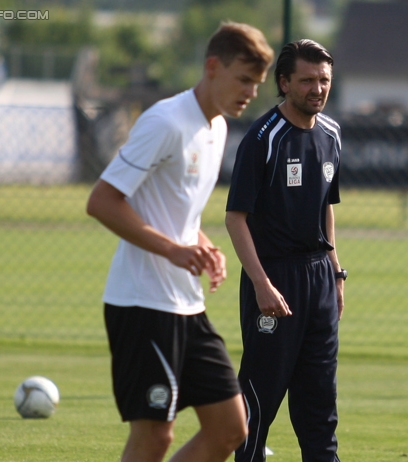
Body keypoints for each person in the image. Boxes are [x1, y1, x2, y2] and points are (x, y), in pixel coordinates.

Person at [86, 22, 274, 462]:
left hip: (187, 307)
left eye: (257, 84)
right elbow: (103, 201)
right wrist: (173, 250)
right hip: (143, 304)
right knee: (154, 437)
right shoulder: (165, 121)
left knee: (230, 428)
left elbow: (178, 214)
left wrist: (203, 246)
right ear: (212, 67)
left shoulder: (219, 129)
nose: (250, 92)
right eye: (243, 79)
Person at [225, 39, 345, 462]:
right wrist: (261, 283)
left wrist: (336, 272)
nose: (318, 88)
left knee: (319, 402)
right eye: (307, 80)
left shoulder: (331, 134)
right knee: (260, 397)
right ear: (284, 82)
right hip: (274, 276)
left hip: (320, 280)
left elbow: (325, 208)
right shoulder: (263, 138)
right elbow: (235, 218)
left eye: (324, 80)